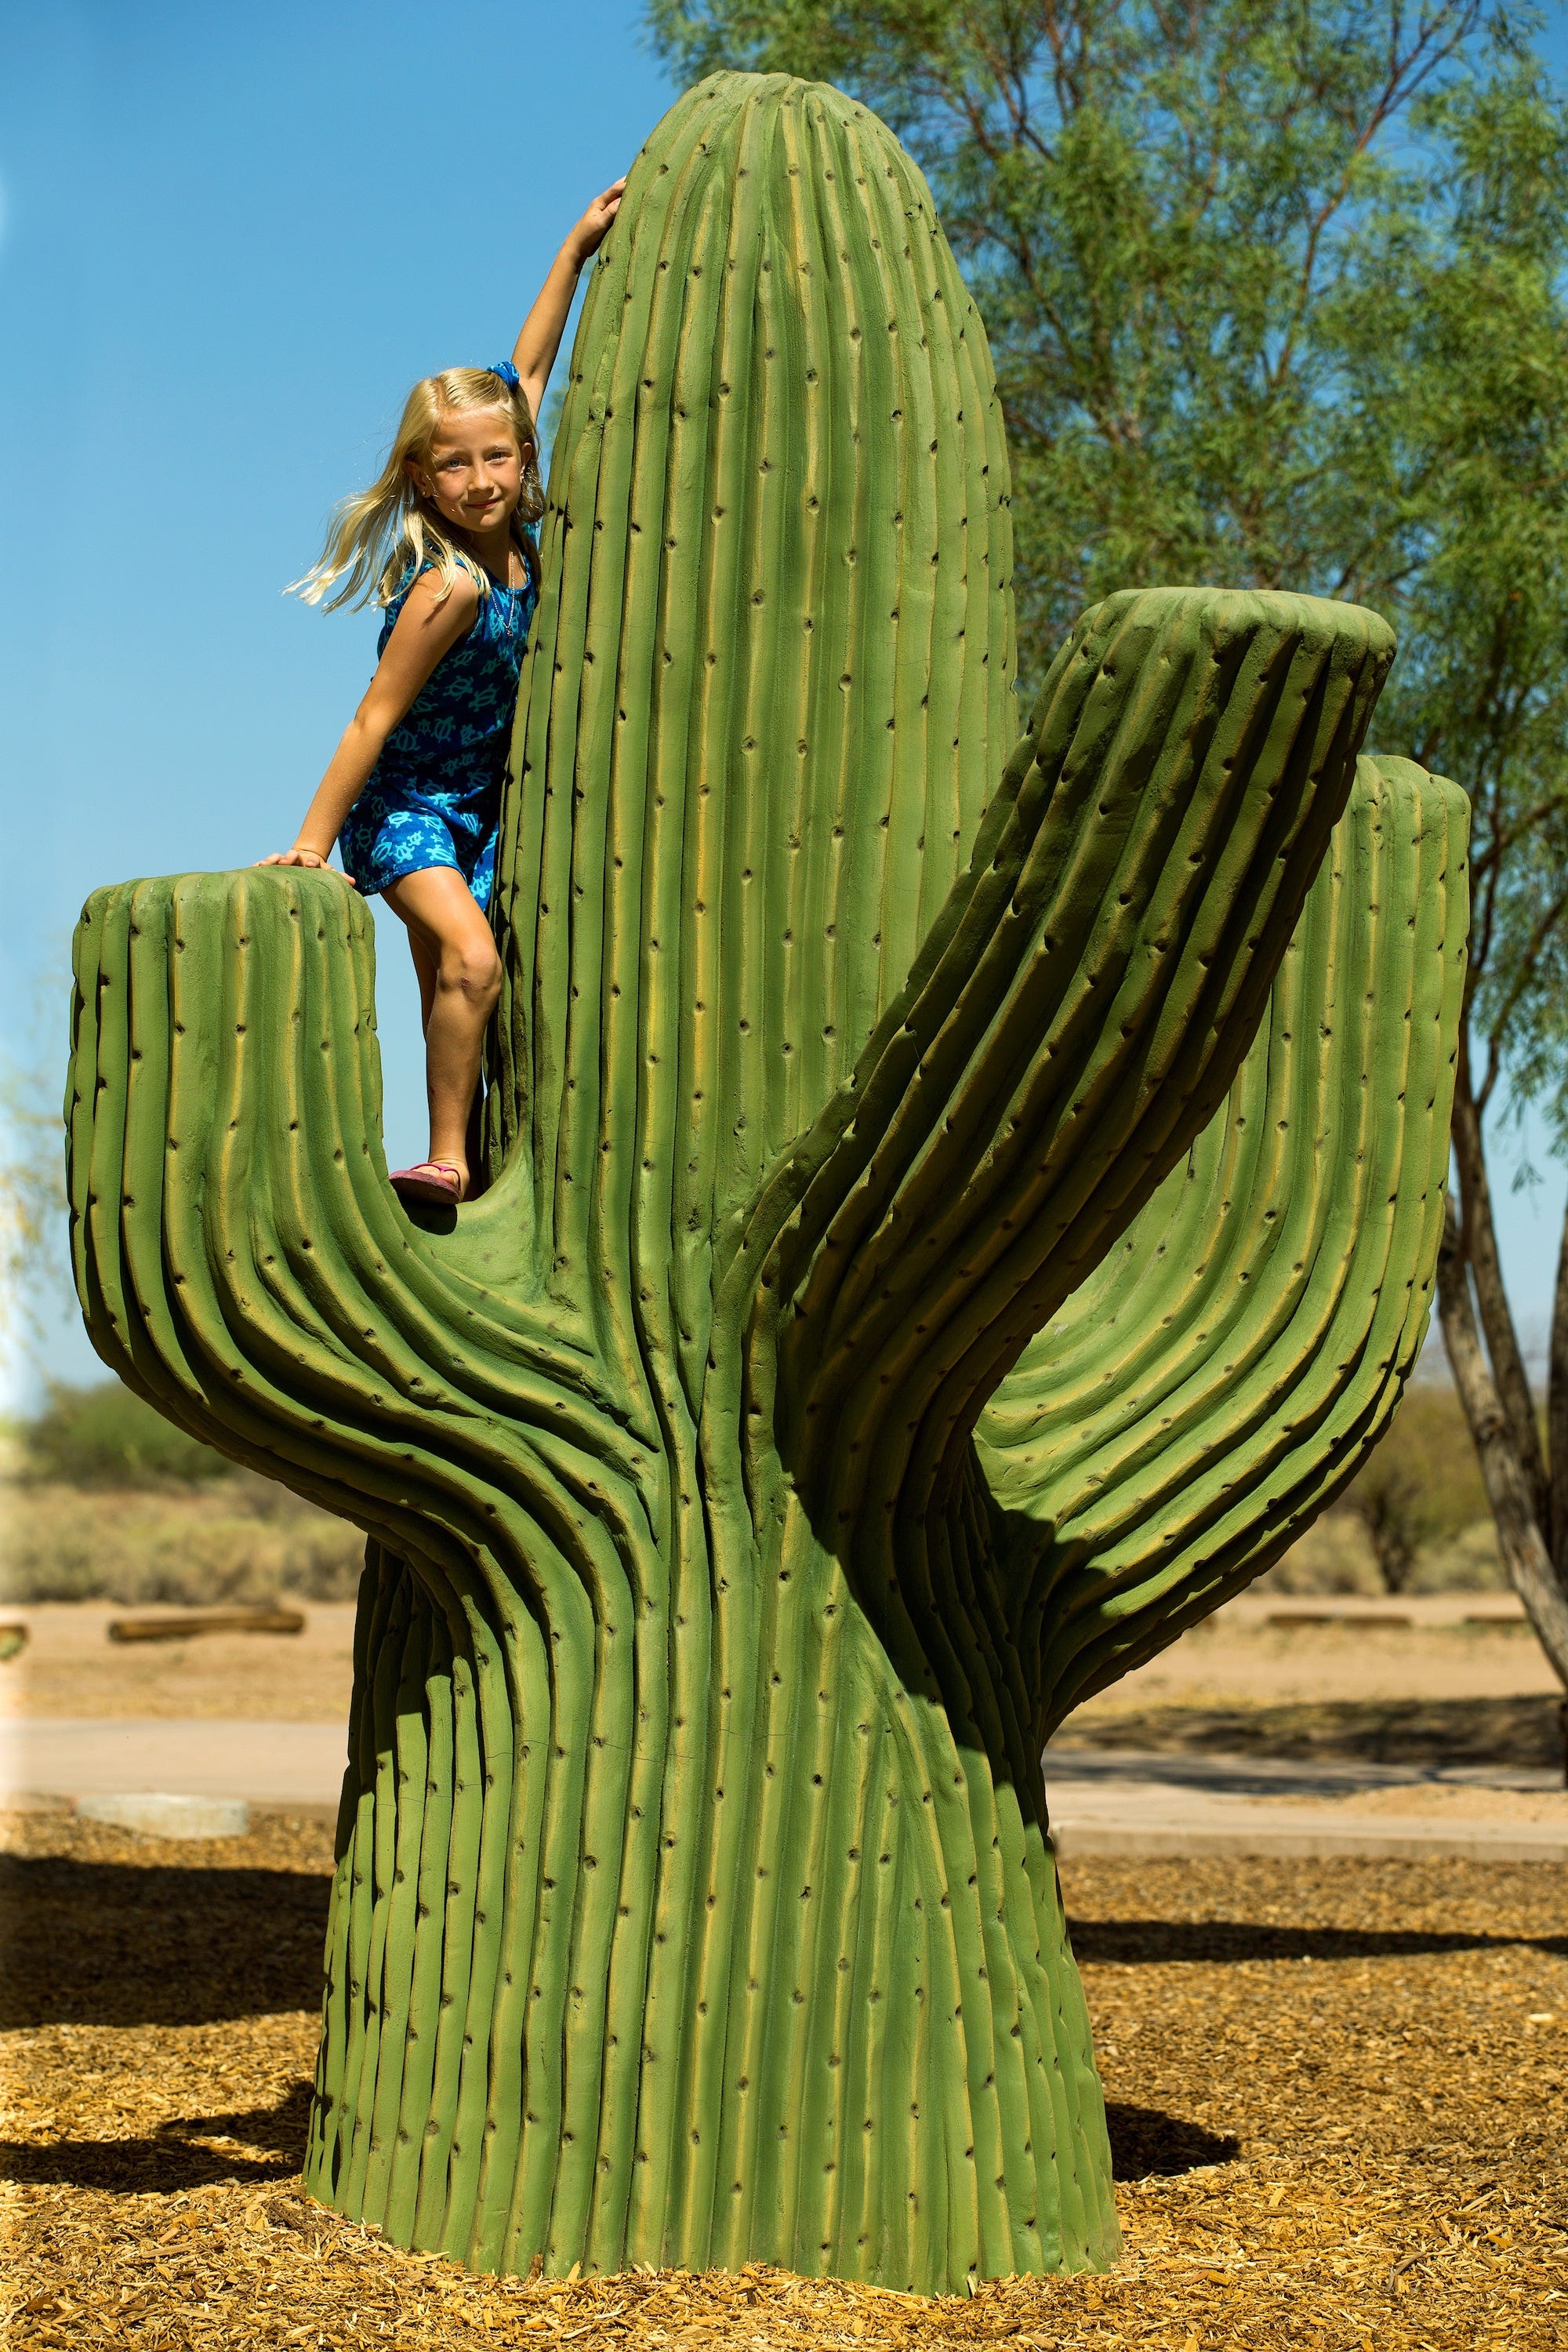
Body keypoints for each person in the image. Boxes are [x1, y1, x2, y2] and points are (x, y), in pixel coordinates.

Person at [260, 180, 625, 1208]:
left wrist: (575, 250)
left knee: (449, 987)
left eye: (497, 456)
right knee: (470, 958)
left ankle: (456, 1159)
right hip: (412, 807)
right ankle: (451, 1159)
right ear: (424, 480)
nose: (481, 479)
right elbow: (373, 715)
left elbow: (530, 368)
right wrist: (314, 843)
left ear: (522, 454)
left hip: (492, 808)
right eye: (454, 465)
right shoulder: (450, 586)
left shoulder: (526, 551)